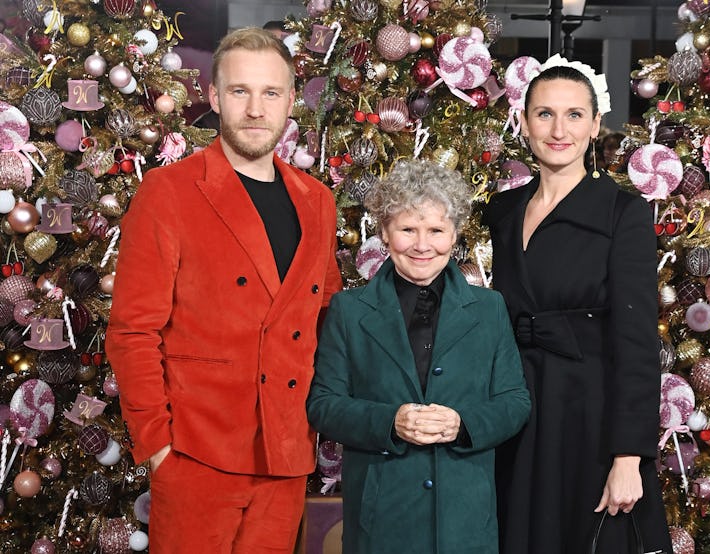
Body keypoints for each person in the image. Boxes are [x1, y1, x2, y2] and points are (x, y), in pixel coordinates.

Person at [106, 27, 342, 553]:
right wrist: (159, 446)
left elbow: (327, 316)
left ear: (289, 102)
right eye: (240, 92)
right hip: (197, 450)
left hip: (285, 450)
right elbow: (133, 330)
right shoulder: (169, 192)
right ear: (213, 97)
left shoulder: (316, 200)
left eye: (271, 93)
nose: (256, 109)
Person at [484, 58, 673, 553]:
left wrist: (629, 456)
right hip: (514, 414)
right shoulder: (500, 213)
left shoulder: (621, 213)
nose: (558, 129)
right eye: (544, 114)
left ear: (594, 126)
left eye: (573, 115)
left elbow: (636, 344)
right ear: (523, 123)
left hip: (588, 418)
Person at [307, 159, 531, 554]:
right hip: (382, 518)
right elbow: (324, 405)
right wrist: (389, 421)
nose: (422, 245)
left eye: (436, 231)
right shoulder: (349, 309)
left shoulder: (489, 308)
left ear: (455, 234)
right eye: (408, 229)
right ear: (384, 233)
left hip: (466, 519)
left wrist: (464, 424)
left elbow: (514, 402)